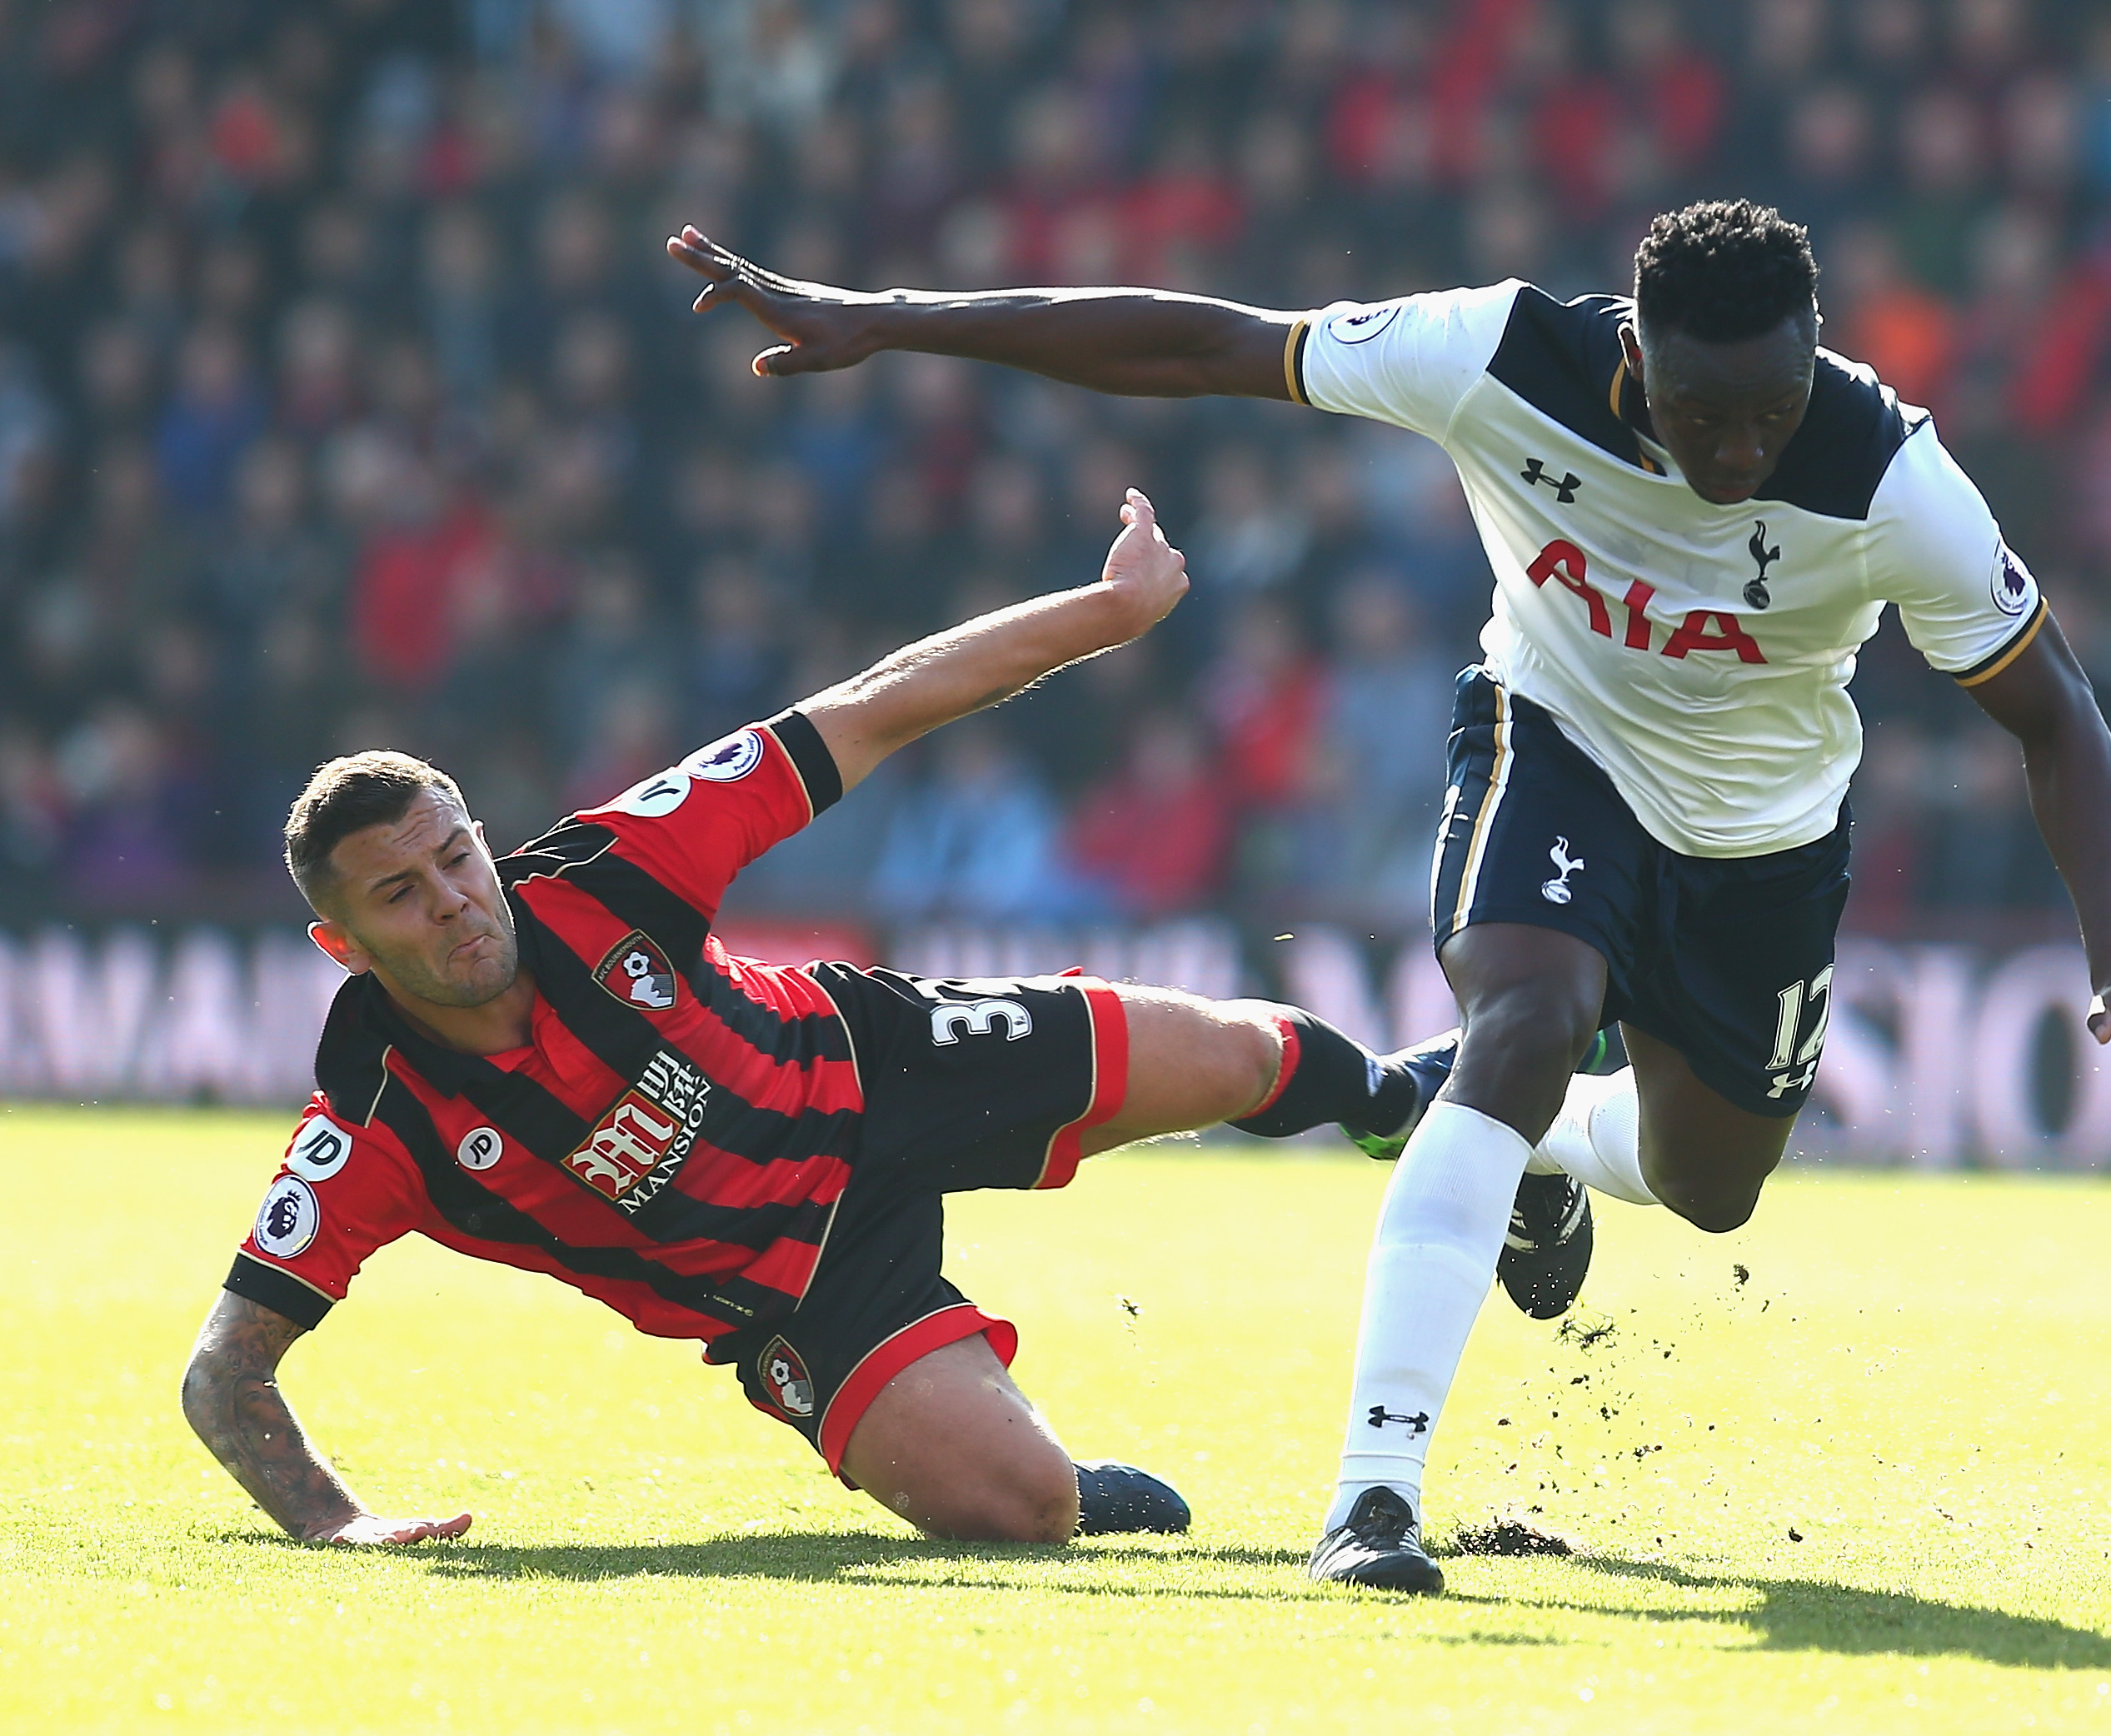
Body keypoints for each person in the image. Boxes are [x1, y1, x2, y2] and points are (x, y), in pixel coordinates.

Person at [666, 200, 2111, 1594]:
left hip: (1765, 843)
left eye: (1768, 411)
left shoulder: (1895, 481)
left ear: (1814, 360)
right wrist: (892, 320)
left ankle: (1546, 1154)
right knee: (1528, 1016)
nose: (1734, 452)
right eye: (1702, 411)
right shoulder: (1498, 354)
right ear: (1636, 350)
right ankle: (1374, 1493)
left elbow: (2055, 715)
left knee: (1710, 1189)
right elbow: (1215, 345)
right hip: (1549, 747)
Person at [182, 491, 1441, 1549]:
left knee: (1237, 1054)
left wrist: (1108, 612)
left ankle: (1404, 1110)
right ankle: (1066, 1483)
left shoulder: (613, 868)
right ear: (340, 946)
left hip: (875, 1063)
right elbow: (223, 1375)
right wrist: (334, 1525)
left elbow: (880, 702)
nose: (454, 902)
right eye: (401, 895)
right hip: (799, 1293)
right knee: (1019, 1508)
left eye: (457, 857)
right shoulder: (374, 1124)